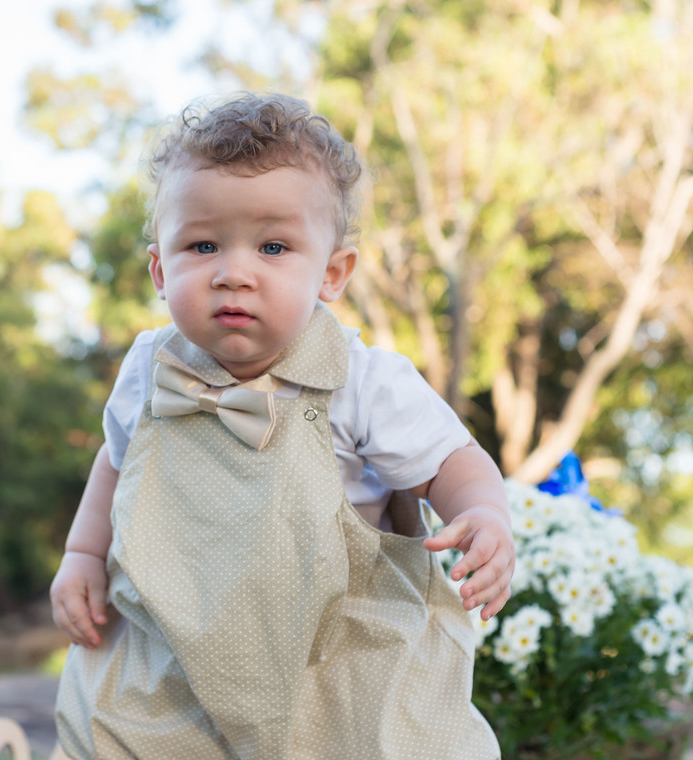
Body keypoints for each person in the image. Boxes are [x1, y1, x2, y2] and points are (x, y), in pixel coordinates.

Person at [50, 92, 513, 760]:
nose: (233, 273)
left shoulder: (366, 381)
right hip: (175, 653)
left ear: (332, 273)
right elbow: (117, 462)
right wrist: (83, 556)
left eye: (273, 247)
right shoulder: (148, 369)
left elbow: (456, 462)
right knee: (122, 736)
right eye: (202, 245)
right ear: (159, 268)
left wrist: (484, 514)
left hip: (334, 659)